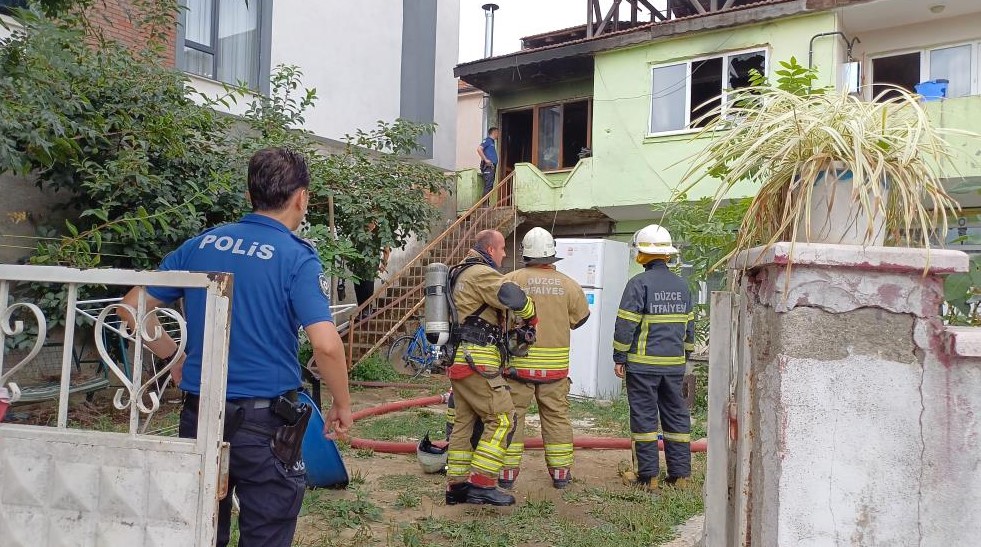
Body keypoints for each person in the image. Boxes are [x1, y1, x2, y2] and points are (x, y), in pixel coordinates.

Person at [121, 147, 353, 546]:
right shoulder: (296, 257)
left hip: (199, 416)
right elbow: (326, 345)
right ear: (302, 198)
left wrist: (173, 356)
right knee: (266, 531)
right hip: (265, 425)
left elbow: (130, 309)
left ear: (251, 196)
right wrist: (342, 404)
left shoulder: (201, 246)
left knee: (203, 529)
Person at [444, 229, 537, 506]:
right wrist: (531, 315)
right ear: (490, 249)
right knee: (503, 418)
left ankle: (457, 487)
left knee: (464, 422)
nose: (506, 254)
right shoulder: (480, 273)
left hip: (461, 358)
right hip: (478, 360)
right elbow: (511, 295)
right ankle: (482, 484)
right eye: (503, 249)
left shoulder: (458, 273)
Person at [500, 227, 589, 490]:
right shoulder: (569, 285)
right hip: (555, 372)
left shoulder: (511, 280)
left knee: (512, 417)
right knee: (556, 418)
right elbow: (580, 319)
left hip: (518, 368)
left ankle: (506, 475)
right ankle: (561, 474)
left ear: (525, 253)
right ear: (552, 255)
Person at [613, 224, 694, 491]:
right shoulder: (683, 286)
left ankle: (648, 477)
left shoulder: (638, 284)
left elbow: (626, 324)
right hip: (674, 366)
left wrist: (619, 356)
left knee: (644, 419)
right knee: (676, 418)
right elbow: (689, 328)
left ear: (642, 254)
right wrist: (686, 357)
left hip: (643, 366)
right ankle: (680, 476)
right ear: (667, 255)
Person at [477, 127, 499, 198]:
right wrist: (486, 160)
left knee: (490, 185)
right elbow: (479, 149)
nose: (498, 134)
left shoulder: (492, 142)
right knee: (488, 185)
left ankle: (486, 204)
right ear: (494, 132)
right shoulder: (487, 140)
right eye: (498, 133)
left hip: (491, 167)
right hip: (488, 167)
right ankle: (484, 205)